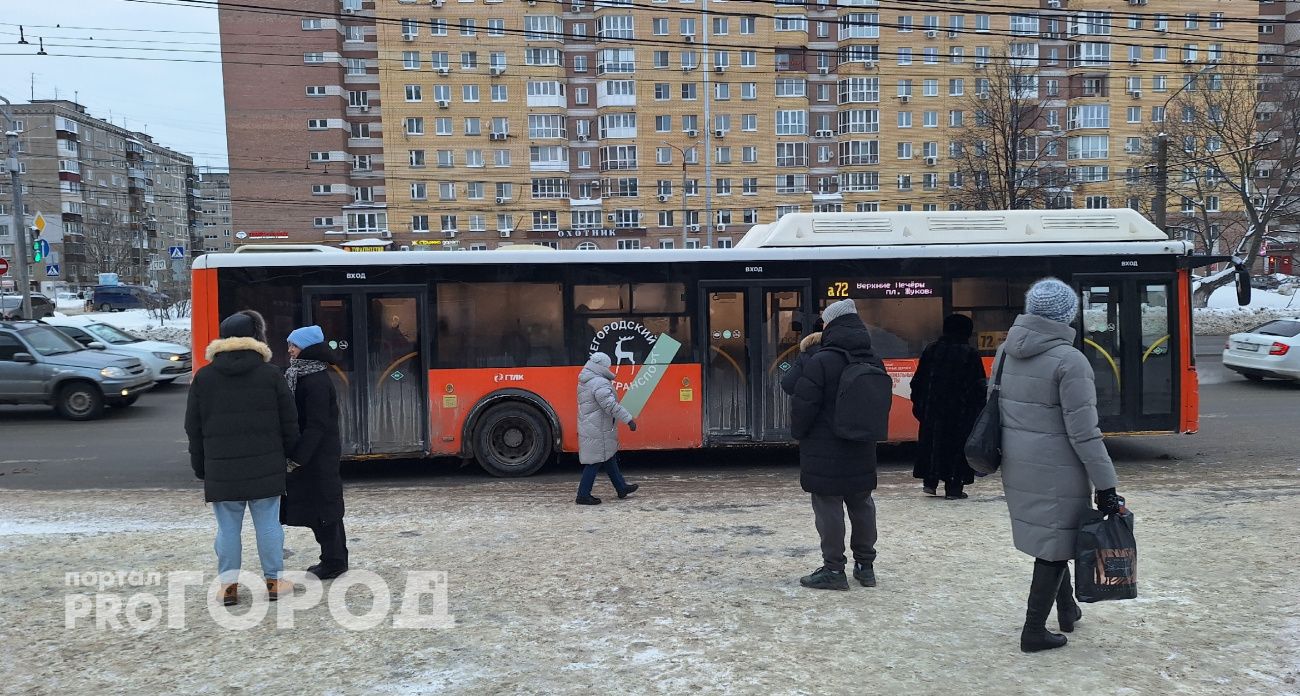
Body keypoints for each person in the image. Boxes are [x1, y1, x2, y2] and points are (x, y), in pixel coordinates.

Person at [996, 278, 1124, 653]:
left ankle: (1067, 610)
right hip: (1059, 469)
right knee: (1053, 546)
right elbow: (1085, 433)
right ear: (1068, 315)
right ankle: (1034, 630)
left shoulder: (1005, 351)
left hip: (1018, 463)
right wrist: (1107, 486)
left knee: (1056, 537)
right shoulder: (1071, 361)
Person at [185, 309, 299, 606]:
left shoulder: (204, 377)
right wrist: (291, 455)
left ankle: (228, 587)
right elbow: (289, 422)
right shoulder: (271, 375)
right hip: (266, 466)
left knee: (227, 529)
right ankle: (274, 581)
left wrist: (201, 466)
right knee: (269, 526)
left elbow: (193, 428)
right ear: (255, 338)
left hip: (221, 470)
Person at [780, 299, 884, 591]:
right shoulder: (872, 358)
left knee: (828, 507)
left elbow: (803, 403)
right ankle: (866, 567)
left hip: (825, 448)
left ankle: (834, 570)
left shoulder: (821, 360)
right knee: (862, 503)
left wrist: (800, 434)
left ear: (831, 325)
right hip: (862, 445)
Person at [282, 325, 349, 580]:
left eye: (294, 345)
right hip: (315, 455)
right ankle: (333, 559)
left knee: (325, 510)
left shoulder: (315, 380)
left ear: (307, 348)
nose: (289, 350)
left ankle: (334, 562)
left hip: (317, 457)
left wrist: (298, 457)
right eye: (289, 344)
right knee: (322, 508)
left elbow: (316, 425)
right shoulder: (304, 374)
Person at [910, 314, 987, 500]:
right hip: (959, 415)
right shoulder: (970, 354)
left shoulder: (931, 350)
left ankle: (930, 482)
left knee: (932, 444)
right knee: (955, 450)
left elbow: (918, 382)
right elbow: (978, 388)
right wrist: (975, 412)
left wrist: (921, 407)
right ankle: (953, 488)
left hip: (932, 413)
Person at [575, 352, 639, 505]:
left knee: (609, 457)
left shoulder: (587, 379)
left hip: (593, 424)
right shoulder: (599, 382)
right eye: (607, 366)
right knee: (594, 462)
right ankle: (583, 495)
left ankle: (621, 487)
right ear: (602, 366)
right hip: (598, 427)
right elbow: (610, 405)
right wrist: (628, 419)